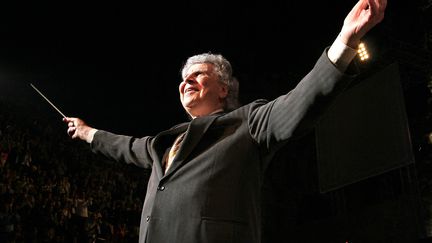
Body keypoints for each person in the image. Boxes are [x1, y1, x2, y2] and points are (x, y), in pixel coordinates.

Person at [63, 0, 387, 242]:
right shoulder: (162, 143)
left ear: (223, 88)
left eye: (198, 75)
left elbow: (300, 102)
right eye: (183, 78)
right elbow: (126, 146)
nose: (187, 82)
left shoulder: (247, 123)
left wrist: (345, 41)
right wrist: (87, 132)